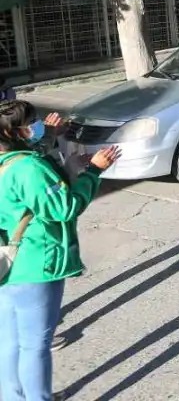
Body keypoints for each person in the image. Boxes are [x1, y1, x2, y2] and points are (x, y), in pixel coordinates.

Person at [0, 100, 121, 401]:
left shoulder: (10, 161)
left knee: (10, 340)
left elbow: (30, 168)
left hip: (7, 264)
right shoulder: (28, 168)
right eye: (34, 121)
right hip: (37, 263)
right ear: (21, 130)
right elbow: (64, 207)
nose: (40, 124)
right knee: (35, 346)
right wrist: (94, 172)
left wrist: (50, 137)